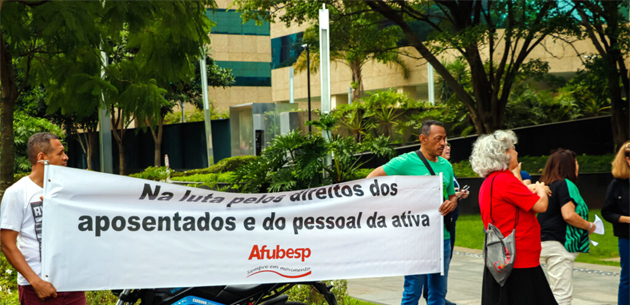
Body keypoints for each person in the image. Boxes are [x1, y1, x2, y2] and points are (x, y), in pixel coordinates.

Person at [367, 120, 457, 305]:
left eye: (445, 139)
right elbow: (371, 179)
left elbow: (452, 195)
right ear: (423, 139)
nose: (443, 144)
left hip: (442, 237)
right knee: (412, 291)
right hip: (416, 239)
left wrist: (452, 202)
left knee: (438, 292)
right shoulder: (405, 162)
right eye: (438, 139)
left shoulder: (446, 166)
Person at [470, 130, 557, 305]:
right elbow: (541, 205)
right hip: (519, 258)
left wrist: (533, 190)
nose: (517, 152)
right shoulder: (505, 180)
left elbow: (518, 198)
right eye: (513, 149)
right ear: (504, 153)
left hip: (501, 257)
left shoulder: (489, 182)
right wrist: (541, 190)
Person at [0, 132, 86, 305]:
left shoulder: (69, 190)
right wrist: (36, 282)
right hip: (38, 290)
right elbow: (7, 244)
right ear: (42, 157)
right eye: (60, 153)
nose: (66, 157)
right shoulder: (17, 193)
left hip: (73, 286)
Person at [537, 149, 595, 305]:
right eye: (576, 163)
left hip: (542, 241)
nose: (578, 167)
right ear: (568, 166)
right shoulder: (565, 184)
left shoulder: (549, 186)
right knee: (562, 294)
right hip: (559, 244)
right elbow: (568, 214)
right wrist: (589, 226)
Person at [602, 141, 630, 305]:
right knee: (628, 278)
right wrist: (627, 219)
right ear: (627, 159)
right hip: (627, 237)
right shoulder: (617, 184)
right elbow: (607, 212)